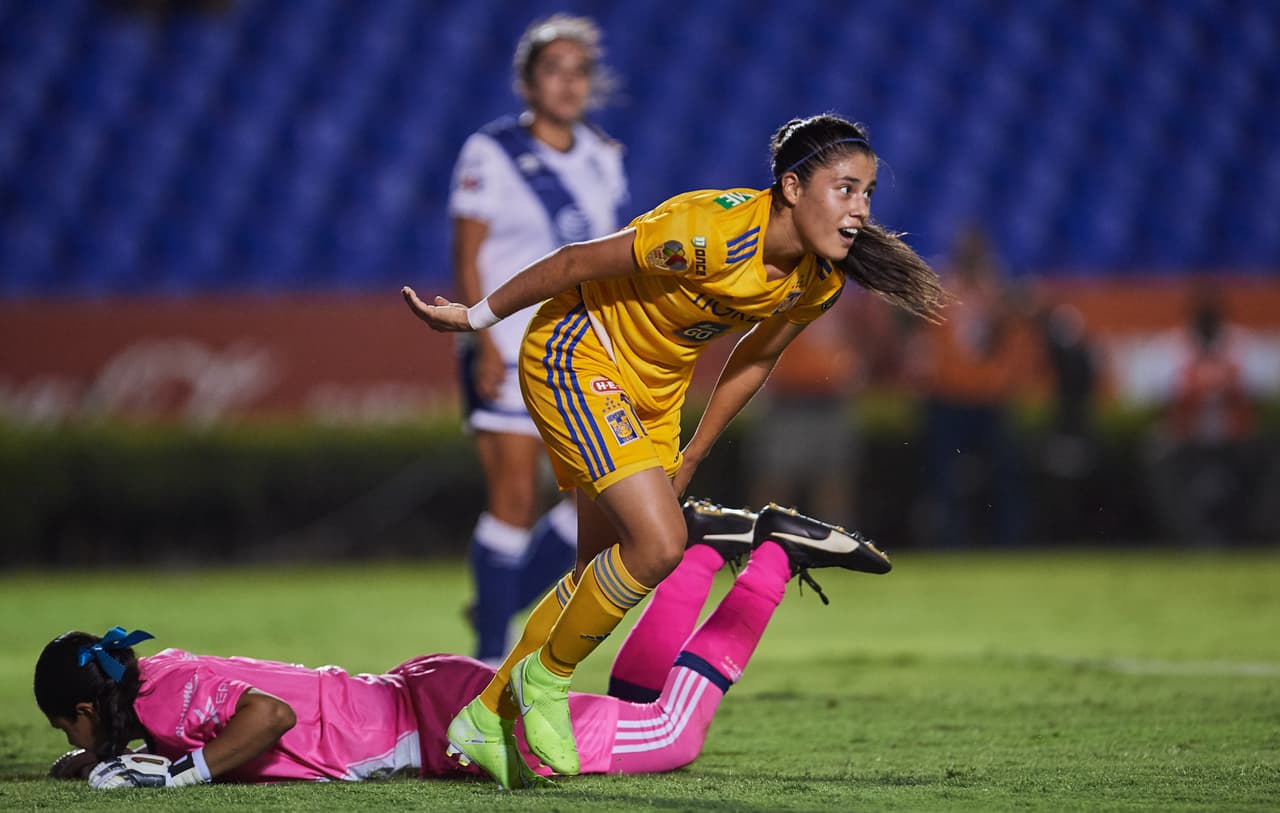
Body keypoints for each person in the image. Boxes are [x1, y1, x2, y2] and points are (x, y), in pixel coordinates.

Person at [402, 112, 946, 783]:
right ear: (793, 187)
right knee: (661, 544)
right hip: (576, 351)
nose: (860, 208)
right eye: (845, 188)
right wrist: (476, 315)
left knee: (598, 572)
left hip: (654, 395)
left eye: (866, 193)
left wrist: (693, 452)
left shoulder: (817, 280)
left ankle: (486, 715)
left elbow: (753, 357)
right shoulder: (708, 233)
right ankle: (545, 682)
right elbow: (574, 262)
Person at [37, 501, 892, 790]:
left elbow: (267, 716)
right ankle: (701, 547)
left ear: (86, 706)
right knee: (631, 712)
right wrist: (105, 758)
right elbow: (182, 721)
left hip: (441, 724)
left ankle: (776, 555)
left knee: (672, 733)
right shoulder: (152, 671)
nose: (74, 740)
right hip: (424, 699)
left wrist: (181, 774)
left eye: (68, 728)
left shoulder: (155, 701)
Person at [446, 15, 628, 663]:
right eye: (554, 69)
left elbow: (606, 261)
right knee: (515, 500)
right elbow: (467, 254)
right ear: (527, 82)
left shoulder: (604, 159)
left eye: (579, 71)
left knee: (600, 504)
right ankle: (490, 654)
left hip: (577, 350)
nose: (569, 83)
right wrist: (483, 337)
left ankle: (502, 594)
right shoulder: (489, 153)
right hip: (508, 348)